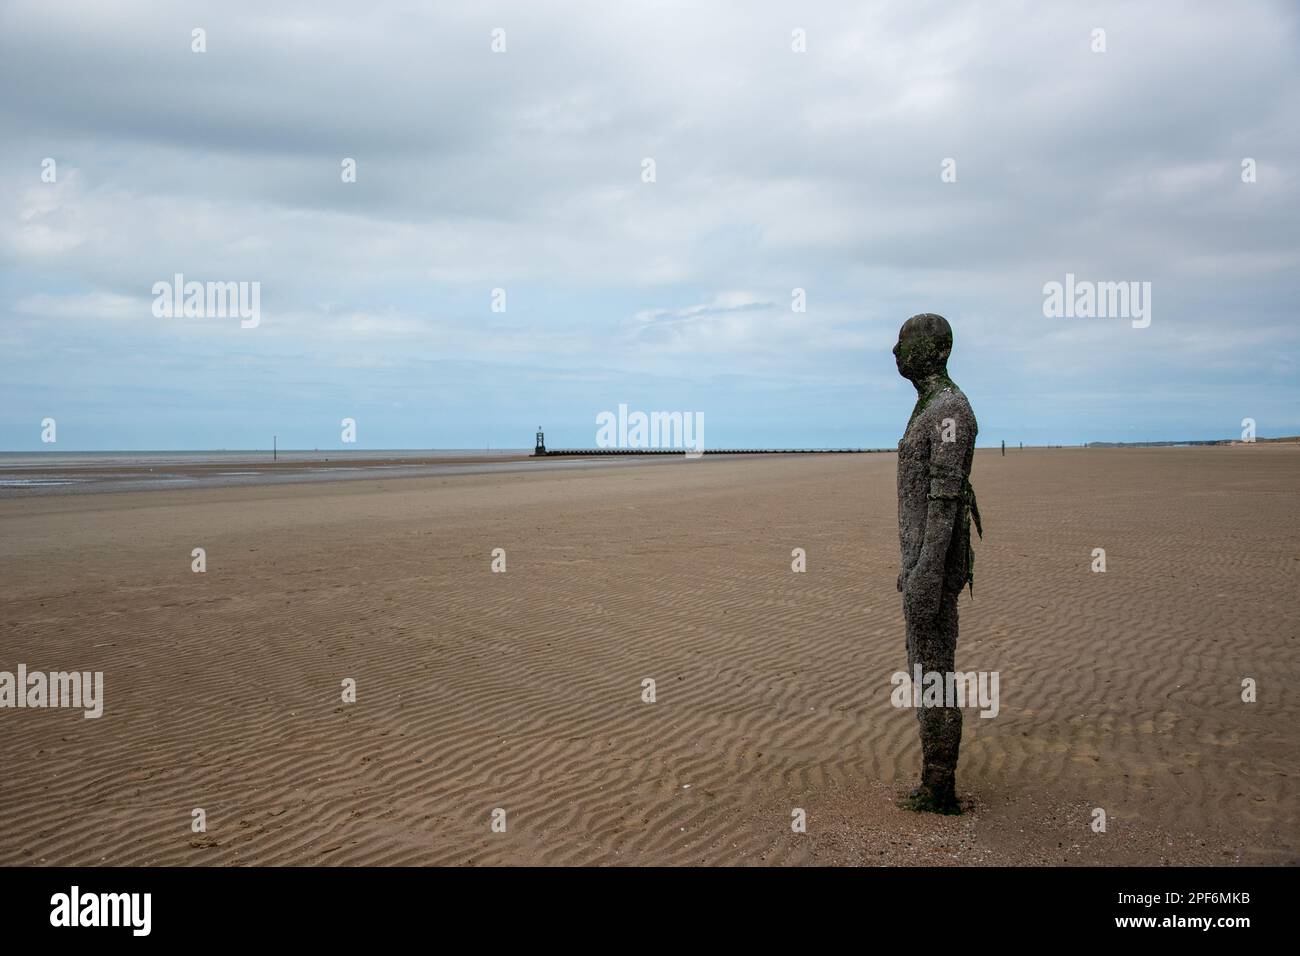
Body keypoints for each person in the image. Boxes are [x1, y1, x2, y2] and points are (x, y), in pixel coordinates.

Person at [892, 313, 980, 813]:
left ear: (938, 351)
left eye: (906, 341)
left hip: (934, 568)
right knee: (924, 668)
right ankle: (935, 779)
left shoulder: (950, 411)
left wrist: (926, 569)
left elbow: (945, 500)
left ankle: (940, 786)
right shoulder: (929, 408)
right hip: (921, 563)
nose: (895, 350)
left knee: (934, 672)